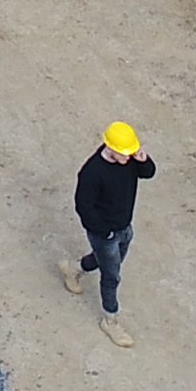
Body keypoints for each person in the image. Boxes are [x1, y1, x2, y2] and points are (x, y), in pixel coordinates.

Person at [69, 123, 153, 318]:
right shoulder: (92, 172)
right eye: (124, 153)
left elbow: (148, 173)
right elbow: (84, 207)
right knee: (111, 277)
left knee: (107, 261)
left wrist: (143, 160)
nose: (128, 157)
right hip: (105, 234)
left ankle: (73, 269)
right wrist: (105, 232)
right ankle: (110, 317)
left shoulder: (128, 159)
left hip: (125, 227)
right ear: (110, 148)